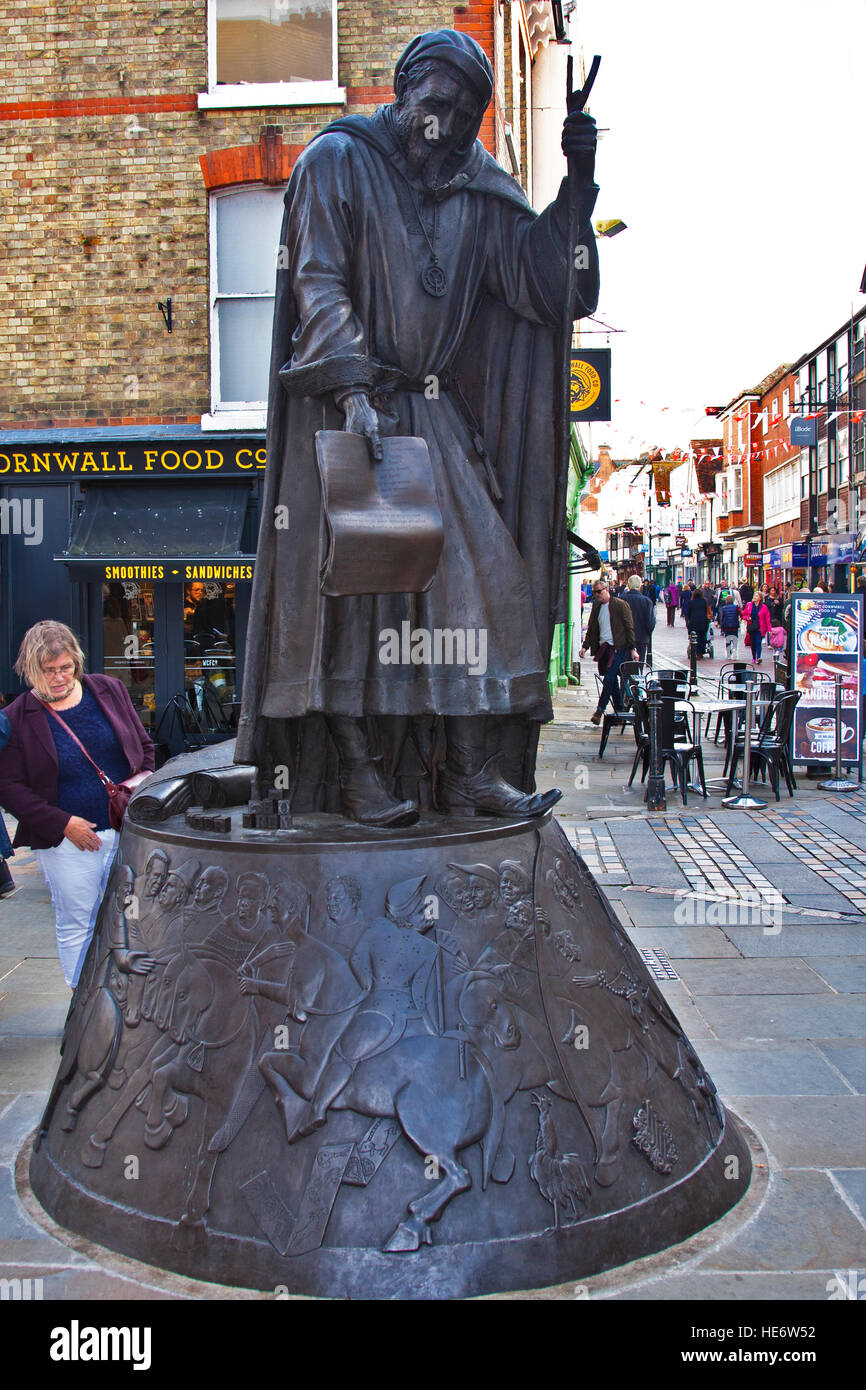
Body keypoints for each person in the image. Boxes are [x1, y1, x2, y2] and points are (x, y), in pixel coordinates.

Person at [234, 28, 600, 826]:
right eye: (436, 106)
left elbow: (547, 287)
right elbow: (319, 282)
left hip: (433, 418)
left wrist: (579, 181)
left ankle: (469, 773)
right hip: (347, 409)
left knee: (486, 588)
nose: (446, 129)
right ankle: (359, 775)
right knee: (353, 604)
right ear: (404, 94)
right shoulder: (338, 160)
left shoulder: (478, 187)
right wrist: (355, 388)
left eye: (466, 117)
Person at [0, 621, 155, 988]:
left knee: (135, 920)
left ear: (77, 662)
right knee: (78, 923)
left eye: (65, 667)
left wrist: (140, 786)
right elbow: (8, 786)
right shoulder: (17, 717)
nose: (58, 677)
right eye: (48, 670)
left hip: (127, 830)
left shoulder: (108, 690)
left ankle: (133, 1008)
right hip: (68, 844)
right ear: (29, 669)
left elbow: (145, 750)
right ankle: (84, 1012)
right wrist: (63, 823)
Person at [579, 580, 638, 725]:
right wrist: (585, 647)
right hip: (603, 649)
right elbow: (592, 629)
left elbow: (629, 627)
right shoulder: (597, 607)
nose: (597, 595)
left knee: (609, 678)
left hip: (618, 648)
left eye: (599, 591)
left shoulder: (619, 605)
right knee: (611, 681)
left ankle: (599, 711)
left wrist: (632, 648)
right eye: (594, 592)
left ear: (607, 589)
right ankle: (620, 710)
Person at [622, 574, 656, 664]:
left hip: (624, 639)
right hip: (641, 638)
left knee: (624, 668)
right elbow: (650, 623)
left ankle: (625, 678)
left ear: (628, 585)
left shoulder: (621, 599)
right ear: (640, 585)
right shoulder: (646, 601)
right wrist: (647, 634)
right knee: (638, 668)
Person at [742, 589, 771, 664]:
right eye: (754, 595)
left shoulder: (764, 607)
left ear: (760, 598)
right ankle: (753, 657)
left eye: (756, 596)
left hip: (760, 628)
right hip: (751, 627)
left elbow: (767, 618)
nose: (754, 597)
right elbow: (744, 614)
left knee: (758, 642)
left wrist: (769, 629)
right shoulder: (749, 605)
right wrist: (747, 618)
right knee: (753, 643)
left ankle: (758, 657)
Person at [687, 585, 711, 657]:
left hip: (694, 622)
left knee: (694, 637)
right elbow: (706, 610)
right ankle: (701, 651)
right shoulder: (704, 601)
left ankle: (695, 651)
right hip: (703, 622)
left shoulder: (691, 602)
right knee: (702, 636)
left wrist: (689, 621)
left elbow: (689, 613)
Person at [718, 592, 741, 659]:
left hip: (727, 626)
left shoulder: (724, 608)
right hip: (735, 626)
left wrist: (722, 626)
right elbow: (740, 614)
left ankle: (728, 654)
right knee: (735, 639)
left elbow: (722, 618)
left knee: (728, 640)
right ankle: (734, 650)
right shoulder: (736, 607)